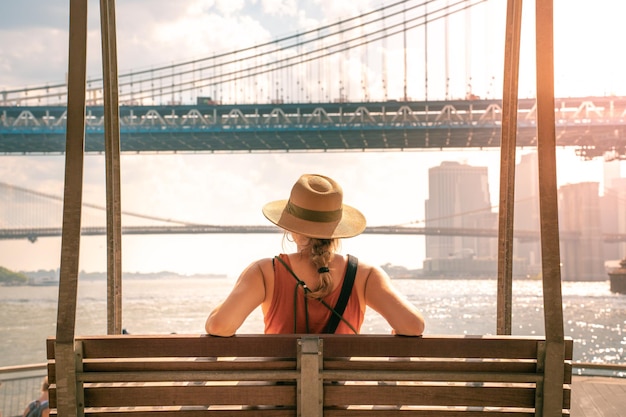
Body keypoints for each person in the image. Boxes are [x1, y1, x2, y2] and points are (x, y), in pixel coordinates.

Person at [206, 173, 425, 336]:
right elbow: (413, 326)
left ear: (289, 226)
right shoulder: (365, 275)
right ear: (338, 227)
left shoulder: (265, 272)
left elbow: (219, 327)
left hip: (278, 396)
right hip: (338, 398)